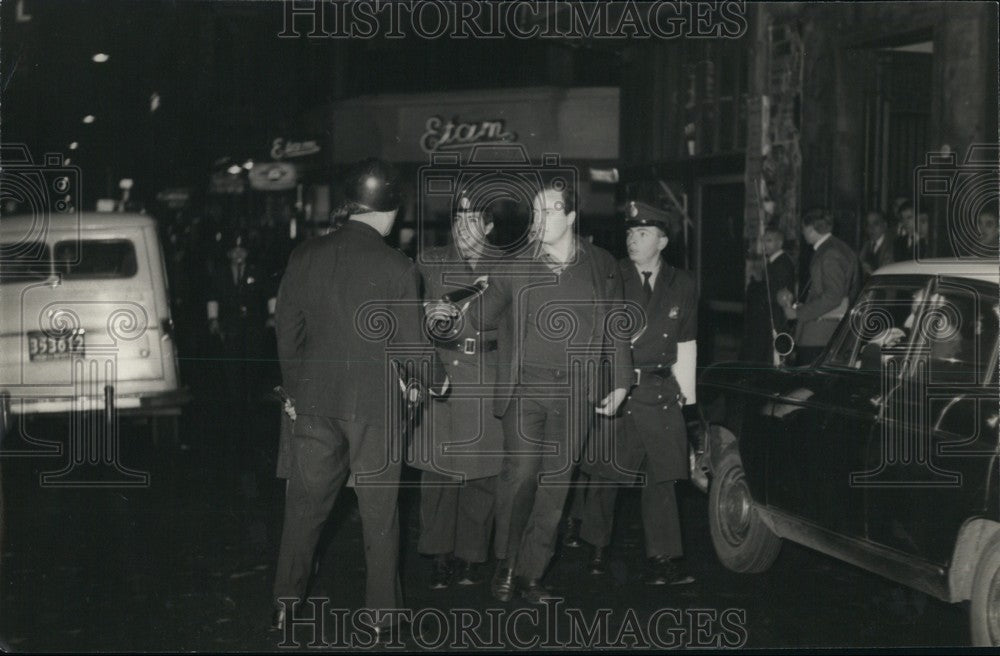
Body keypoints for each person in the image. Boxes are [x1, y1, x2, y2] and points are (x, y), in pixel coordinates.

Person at [270, 159, 447, 636]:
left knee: (303, 511)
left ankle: (285, 605)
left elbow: (287, 332)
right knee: (380, 518)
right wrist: (436, 379)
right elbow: (411, 346)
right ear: (389, 213)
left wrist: (296, 389)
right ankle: (382, 618)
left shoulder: (305, 254)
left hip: (314, 402)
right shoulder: (397, 266)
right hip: (375, 408)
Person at [459, 178, 633, 604]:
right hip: (526, 388)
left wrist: (622, 379)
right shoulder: (516, 264)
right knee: (520, 477)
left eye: (549, 210)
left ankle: (531, 573)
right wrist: (475, 294)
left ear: (571, 216)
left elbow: (616, 326)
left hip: (576, 390)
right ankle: (508, 562)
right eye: (535, 211)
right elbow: (480, 319)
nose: (539, 219)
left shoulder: (601, 264)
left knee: (556, 485)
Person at [577, 201, 699, 586]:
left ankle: (663, 557)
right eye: (630, 233)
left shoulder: (683, 283)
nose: (633, 240)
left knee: (661, 477)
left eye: (643, 233)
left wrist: (687, 399)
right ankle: (596, 545)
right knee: (605, 475)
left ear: (662, 241)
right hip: (617, 387)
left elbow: (687, 342)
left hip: (660, 390)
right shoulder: (612, 275)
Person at [411, 192, 504, 590]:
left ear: (489, 226)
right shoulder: (429, 261)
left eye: (472, 220)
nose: (462, 228)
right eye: (457, 220)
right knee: (438, 473)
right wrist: (425, 316)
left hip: (487, 372)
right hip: (444, 373)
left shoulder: (507, 266)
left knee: (483, 473)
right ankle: (439, 554)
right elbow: (404, 312)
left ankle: (470, 555)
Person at [206, 232, 275, 495]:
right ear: (228, 254)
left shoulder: (258, 272)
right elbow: (213, 297)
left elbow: (269, 294)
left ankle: (250, 399)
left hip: (254, 328)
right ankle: (236, 404)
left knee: (252, 367)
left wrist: (272, 315)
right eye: (234, 251)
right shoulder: (220, 274)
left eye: (242, 250)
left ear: (247, 253)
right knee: (232, 367)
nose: (238, 254)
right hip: (231, 329)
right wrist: (213, 320)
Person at [777, 209, 860, 365]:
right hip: (829, 330)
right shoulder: (839, 247)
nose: (802, 232)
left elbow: (833, 296)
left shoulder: (829, 253)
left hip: (820, 334)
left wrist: (798, 313)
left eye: (803, 228)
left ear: (810, 229)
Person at [741, 224, 796, 364]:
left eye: (769, 240)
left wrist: (756, 289)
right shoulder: (773, 262)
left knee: (772, 357)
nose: (764, 245)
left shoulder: (781, 263)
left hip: (775, 319)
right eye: (763, 241)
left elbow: (775, 294)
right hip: (769, 318)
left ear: (780, 243)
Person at [859, 210, 894, 278]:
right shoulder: (866, 245)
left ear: (885, 225)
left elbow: (887, 275)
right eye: (868, 224)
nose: (871, 228)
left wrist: (870, 271)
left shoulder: (891, 245)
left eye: (875, 224)